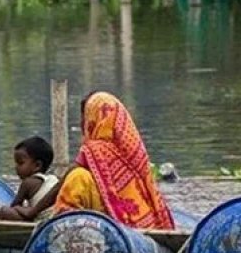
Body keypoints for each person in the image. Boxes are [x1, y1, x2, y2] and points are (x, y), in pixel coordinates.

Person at [52, 91, 175, 230]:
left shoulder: (95, 149)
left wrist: (34, 210)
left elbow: (70, 174)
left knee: (77, 177)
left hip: (118, 224)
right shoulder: (131, 150)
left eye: (85, 117)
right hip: (145, 222)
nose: (82, 123)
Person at [0, 136, 60, 221]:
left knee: (4, 211)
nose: (16, 167)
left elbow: (14, 206)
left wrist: (20, 208)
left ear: (37, 165)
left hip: (42, 219)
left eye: (20, 163)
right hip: (58, 217)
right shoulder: (53, 178)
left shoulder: (28, 183)